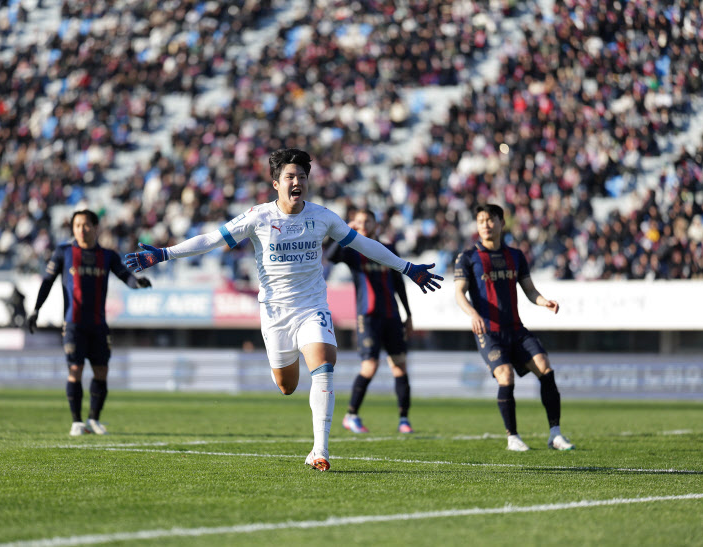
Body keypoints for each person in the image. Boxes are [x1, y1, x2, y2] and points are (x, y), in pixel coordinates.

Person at [125, 148, 443, 471]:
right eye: (290, 176)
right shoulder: (258, 217)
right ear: (275, 183)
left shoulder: (322, 217)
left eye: (302, 177)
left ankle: (321, 450)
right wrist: (164, 254)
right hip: (275, 313)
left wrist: (407, 268)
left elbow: (366, 245)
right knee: (286, 386)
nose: (297, 182)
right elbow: (211, 239)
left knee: (324, 364)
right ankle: (299, 395)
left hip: (312, 306)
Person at [454, 204, 574, 451]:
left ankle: (555, 434)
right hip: (489, 332)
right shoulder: (468, 257)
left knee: (545, 368)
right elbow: (459, 293)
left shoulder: (516, 256)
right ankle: (513, 437)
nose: (485, 225)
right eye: (481, 221)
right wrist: (473, 313)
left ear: (501, 223)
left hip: (516, 330)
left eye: (490, 220)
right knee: (506, 376)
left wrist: (544, 301)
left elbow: (529, 290)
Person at [27, 210, 152, 436]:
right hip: (73, 324)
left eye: (85, 225)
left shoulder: (108, 255)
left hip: (98, 325)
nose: (81, 230)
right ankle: (76, 422)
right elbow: (47, 282)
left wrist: (138, 283)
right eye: (77, 225)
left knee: (101, 371)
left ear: (95, 227)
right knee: (75, 369)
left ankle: (94, 419)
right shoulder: (64, 252)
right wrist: (36, 309)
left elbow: (126, 276)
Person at [324, 208, 415, 434]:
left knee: (400, 366)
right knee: (370, 365)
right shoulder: (353, 249)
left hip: (392, 315)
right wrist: (346, 232)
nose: (363, 225)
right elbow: (331, 256)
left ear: (375, 224)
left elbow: (399, 283)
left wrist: (408, 314)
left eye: (367, 221)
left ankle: (404, 420)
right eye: (359, 222)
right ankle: (351, 415)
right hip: (368, 316)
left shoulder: (388, 249)